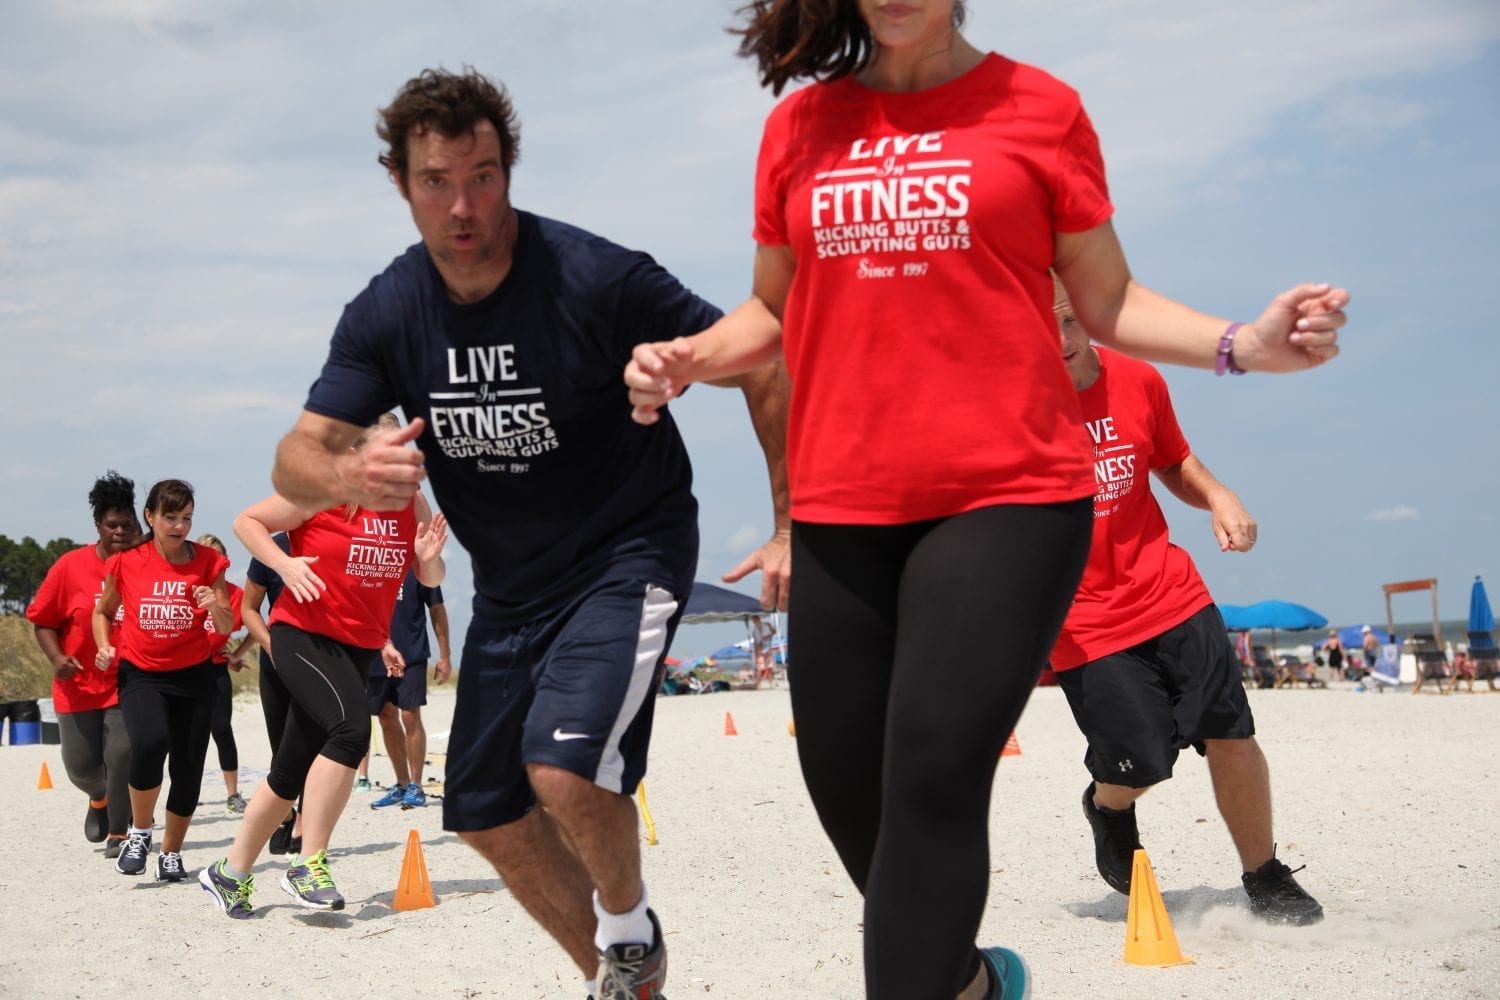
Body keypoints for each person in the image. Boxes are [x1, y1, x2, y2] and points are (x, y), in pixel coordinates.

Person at [625, 4, 1345, 997]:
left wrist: (1243, 345)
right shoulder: (799, 127)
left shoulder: (1040, 108)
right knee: (843, 783)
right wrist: (689, 358)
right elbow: (774, 306)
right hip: (845, 499)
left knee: (934, 769)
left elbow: (1107, 297)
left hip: (1008, 492)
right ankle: (967, 983)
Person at [266, 68, 789, 999]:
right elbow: (293, 458)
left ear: (509, 169)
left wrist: (789, 519)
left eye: (483, 177)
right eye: (437, 182)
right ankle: (620, 981)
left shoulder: (593, 276)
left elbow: (760, 356)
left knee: (562, 769)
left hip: (627, 550)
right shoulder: (389, 311)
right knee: (481, 810)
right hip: (510, 588)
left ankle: (628, 930)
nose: (463, 206)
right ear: (400, 182)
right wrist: (349, 474)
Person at [1049, 280, 1323, 926]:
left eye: (1069, 321)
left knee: (1231, 732)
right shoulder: (1011, 408)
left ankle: (1265, 874)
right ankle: (1108, 806)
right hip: (1085, 620)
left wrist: (1220, 497)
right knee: (1141, 761)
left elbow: (1173, 461)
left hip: (1170, 590)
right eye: (1041, 326)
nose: (1059, 340)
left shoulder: (1139, 379)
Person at [200, 422, 447, 918]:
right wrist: (284, 564)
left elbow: (429, 575)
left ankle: (229, 872)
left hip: (358, 647)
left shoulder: (411, 502)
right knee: (352, 732)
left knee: (289, 771)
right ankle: (308, 862)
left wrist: (427, 561)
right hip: (302, 635)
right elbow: (247, 521)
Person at [92, 479, 233, 880]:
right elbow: (103, 612)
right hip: (142, 674)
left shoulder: (208, 562)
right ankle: (140, 832)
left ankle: (171, 853)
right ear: (150, 517)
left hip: (193, 677)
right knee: (150, 742)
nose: (179, 526)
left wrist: (214, 605)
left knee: (188, 766)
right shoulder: (127, 562)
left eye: (186, 518)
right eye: (170, 517)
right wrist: (104, 646)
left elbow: (226, 623)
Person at [26, 471, 140, 860]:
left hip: (127, 682)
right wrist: (58, 658)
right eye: (112, 525)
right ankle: (99, 797)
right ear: (98, 527)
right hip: (77, 684)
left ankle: (120, 833)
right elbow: (42, 621)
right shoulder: (69, 566)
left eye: (127, 524)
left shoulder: (145, 565)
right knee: (80, 767)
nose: (120, 531)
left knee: (121, 755)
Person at [367, 564, 452, 810]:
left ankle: (416, 785)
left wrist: (445, 655)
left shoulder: (419, 565)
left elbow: (436, 608)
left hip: (411, 652)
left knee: (409, 715)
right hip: (374, 652)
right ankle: (402, 783)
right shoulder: (371, 561)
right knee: (385, 717)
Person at [240, 531, 303, 854]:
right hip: (275, 663)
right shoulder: (270, 547)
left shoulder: (334, 541)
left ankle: (304, 825)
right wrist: (271, 646)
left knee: (314, 746)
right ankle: (286, 814)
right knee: (282, 749)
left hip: (320, 662)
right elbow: (249, 608)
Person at [197, 533, 249, 813]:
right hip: (184, 669)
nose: (215, 561)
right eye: (208, 556)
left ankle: (233, 794)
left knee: (221, 729)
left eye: (219, 556)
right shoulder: (185, 587)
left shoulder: (235, 594)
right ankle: (186, 792)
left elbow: (256, 624)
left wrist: (237, 654)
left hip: (216, 668)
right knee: (186, 733)